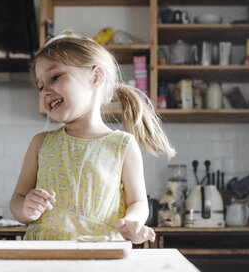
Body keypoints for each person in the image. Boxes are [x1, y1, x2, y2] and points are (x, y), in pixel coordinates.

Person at [10, 32, 176, 243]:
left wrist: (132, 222)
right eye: (40, 86)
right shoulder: (40, 143)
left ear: (95, 77)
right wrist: (25, 209)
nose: (45, 91)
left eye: (55, 77)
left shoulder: (122, 145)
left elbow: (138, 203)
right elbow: (17, 199)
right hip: (45, 258)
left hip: (101, 257)